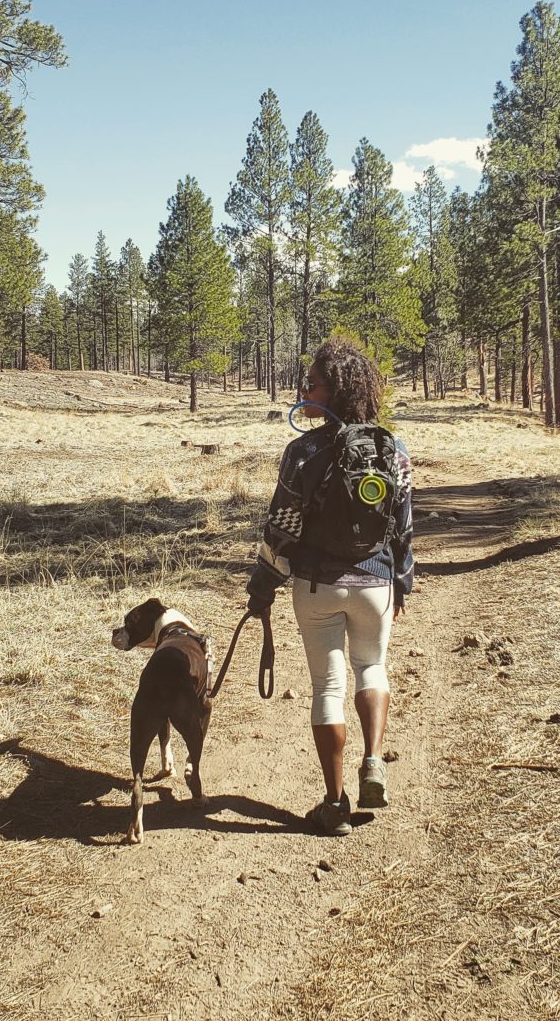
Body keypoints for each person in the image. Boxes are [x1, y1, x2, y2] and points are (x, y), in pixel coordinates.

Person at [246, 338, 413, 836]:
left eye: (312, 384)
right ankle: (374, 761)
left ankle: (335, 802)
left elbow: (281, 526)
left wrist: (264, 584)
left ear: (334, 391)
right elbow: (404, 525)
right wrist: (400, 582)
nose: (304, 390)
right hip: (376, 582)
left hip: (317, 586)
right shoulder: (393, 448)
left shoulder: (301, 452)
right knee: (372, 667)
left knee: (328, 687)